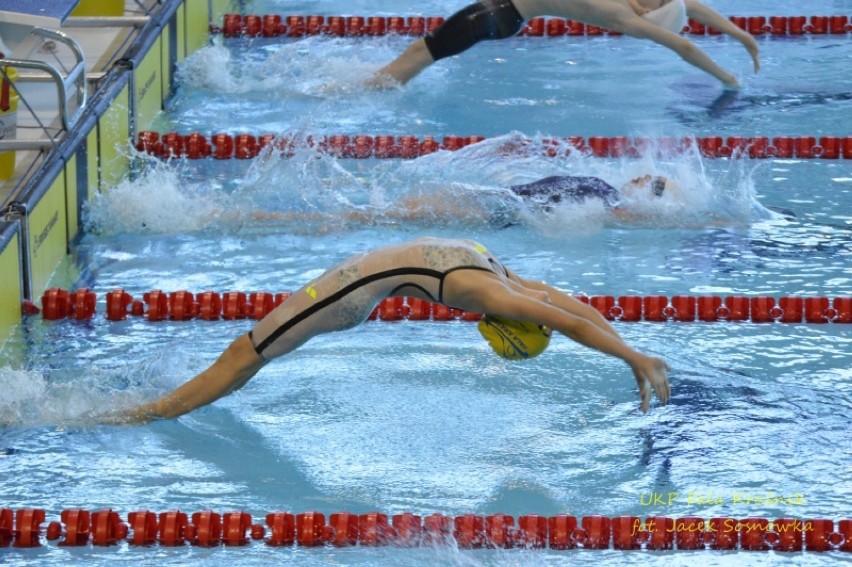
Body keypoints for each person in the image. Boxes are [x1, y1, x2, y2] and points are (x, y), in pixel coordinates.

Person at [99, 237, 670, 424]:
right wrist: (631, 355)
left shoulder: (498, 284)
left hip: (353, 291)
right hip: (355, 292)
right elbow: (568, 315)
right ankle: (164, 407)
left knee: (245, 353)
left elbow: (567, 313)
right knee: (249, 356)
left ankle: (143, 413)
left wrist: (630, 352)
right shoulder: (502, 289)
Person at [369, 0, 760, 89]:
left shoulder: (624, 16)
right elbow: (691, 6)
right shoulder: (631, 5)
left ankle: (367, 88)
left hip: (498, 14)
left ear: (653, 12)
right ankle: (378, 83)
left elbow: (683, 47)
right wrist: (742, 36)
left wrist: (727, 77)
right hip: (505, 12)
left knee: (421, 53)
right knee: (420, 55)